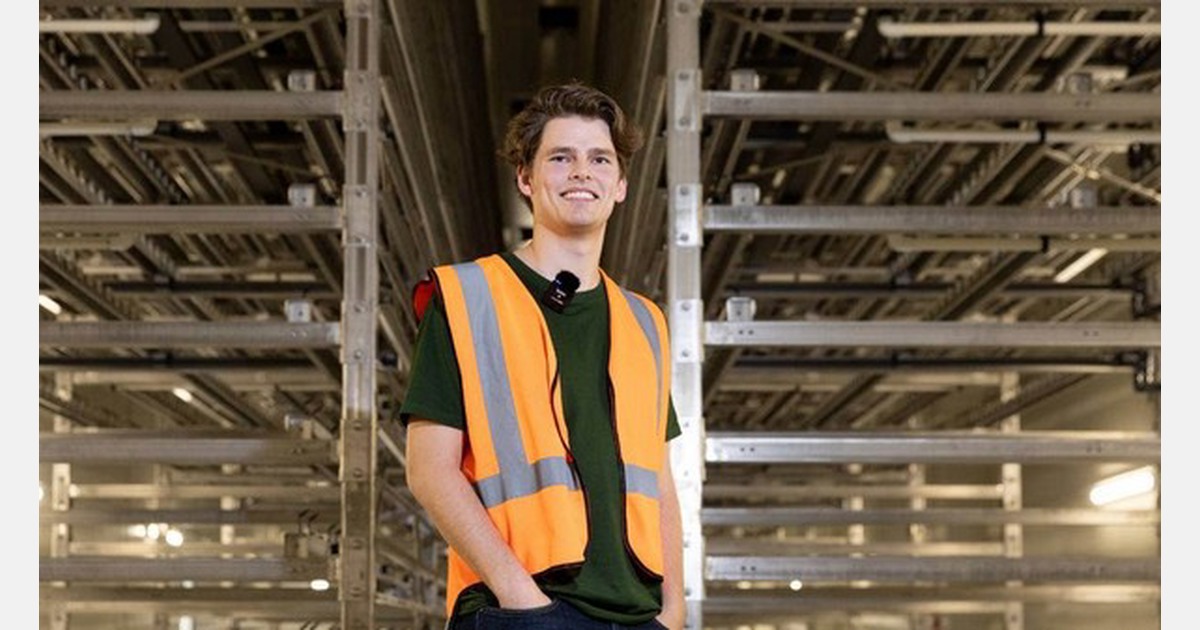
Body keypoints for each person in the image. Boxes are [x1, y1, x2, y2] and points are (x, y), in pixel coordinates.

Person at [401, 82, 685, 630]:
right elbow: (429, 470)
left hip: (640, 615)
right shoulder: (466, 300)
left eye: (599, 158)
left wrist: (673, 610)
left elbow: (661, 483)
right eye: (561, 157)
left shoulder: (645, 323)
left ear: (620, 185)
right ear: (525, 178)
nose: (583, 171)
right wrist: (521, 598)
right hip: (522, 610)